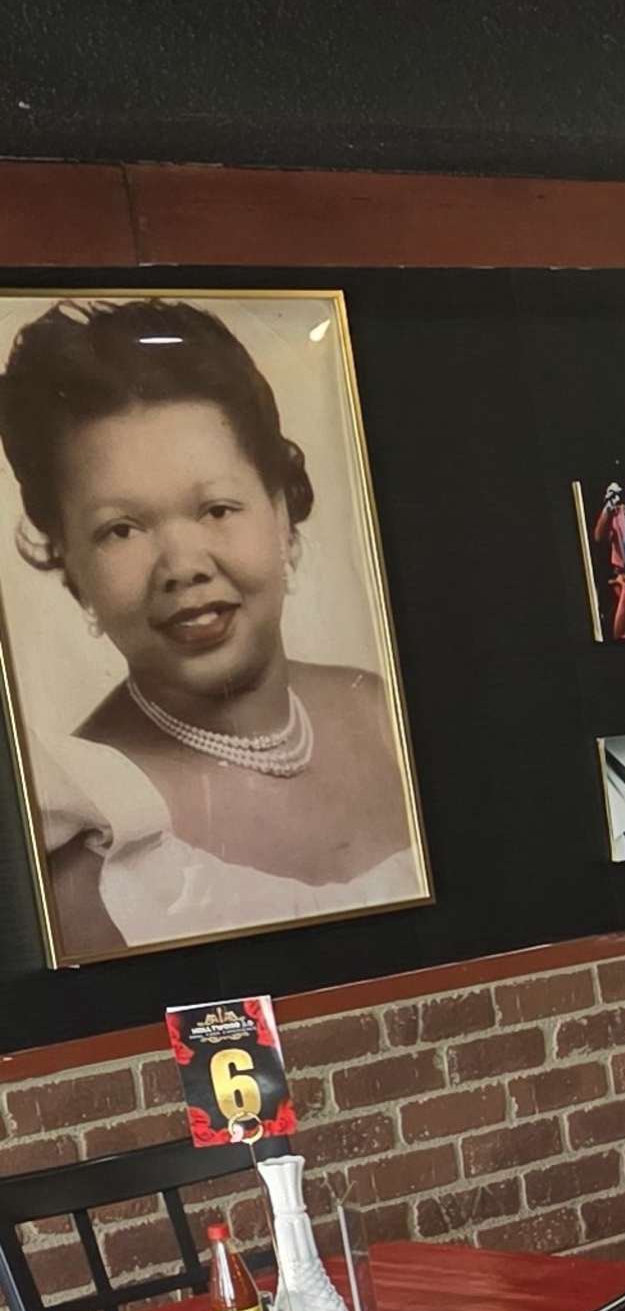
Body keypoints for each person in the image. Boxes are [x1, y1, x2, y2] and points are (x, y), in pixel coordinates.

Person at [3, 295, 423, 960]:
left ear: (282, 512)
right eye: (121, 529)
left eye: (218, 508)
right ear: (69, 565)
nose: (183, 567)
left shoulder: (386, 710)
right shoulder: (92, 844)